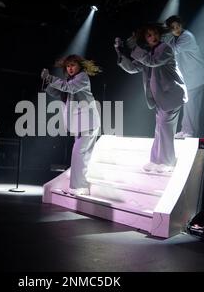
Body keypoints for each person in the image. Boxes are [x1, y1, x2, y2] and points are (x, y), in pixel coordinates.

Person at [115, 23, 187, 173]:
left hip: (172, 95)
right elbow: (133, 68)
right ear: (145, 39)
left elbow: (151, 62)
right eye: (149, 35)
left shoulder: (165, 49)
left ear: (159, 34)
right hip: (161, 98)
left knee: (165, 128)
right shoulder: (149, 53)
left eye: (154, 34)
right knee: (160, 129)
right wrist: (120, 52)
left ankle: (167, 162)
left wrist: (134, 47)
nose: (153, 37)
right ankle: (156, 160)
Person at [41, 55, 101, 196]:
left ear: (79, 66)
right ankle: (81, 186)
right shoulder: (70, 80)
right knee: (81, 155)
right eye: (68, 66)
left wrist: (50, 78)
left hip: (89, 123)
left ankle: (79, 186)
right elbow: (58, 91)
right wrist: (46, 83)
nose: (70, 68)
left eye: (73, 65)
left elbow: (69, 88)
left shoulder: (83, 77)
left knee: (78, 153)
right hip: (80, 124)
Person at [164, 15, 204, 138]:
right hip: (191, 77)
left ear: (181, 25)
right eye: (173, 28)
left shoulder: (187, 37)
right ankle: (187, 130)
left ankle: (189, 131)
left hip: (196, 75)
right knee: (189, 105)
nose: (176, 29)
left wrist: (164, 38)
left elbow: (171, 51)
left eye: (177, 26)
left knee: (191, 105)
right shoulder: (174, 40)